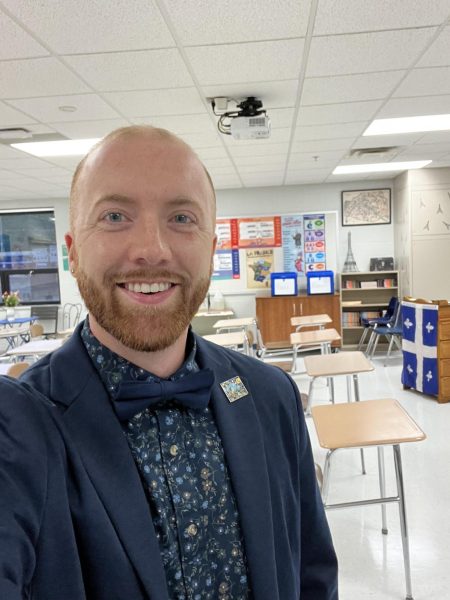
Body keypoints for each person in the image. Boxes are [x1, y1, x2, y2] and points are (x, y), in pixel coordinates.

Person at [0, 126, 338, 600]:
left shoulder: (271, 396)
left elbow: (313, 576)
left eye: (181, 217)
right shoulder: (18, 426)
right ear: (73, 252)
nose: (153, 250)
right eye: (115, 216)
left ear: (212, 250)